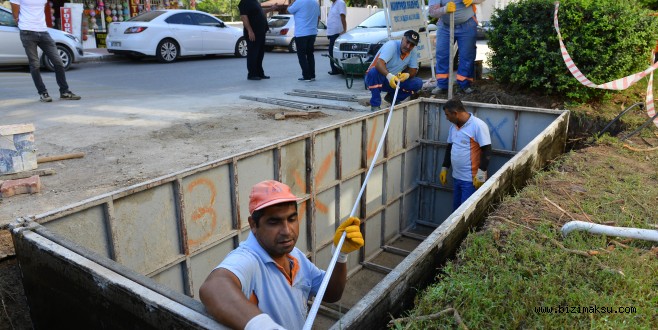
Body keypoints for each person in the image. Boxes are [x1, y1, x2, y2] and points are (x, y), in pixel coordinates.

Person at [199, 180, 364, 329]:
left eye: (292, 219)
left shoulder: (294, 256)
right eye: (274, 222)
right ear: (253, 225)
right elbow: (214, 287)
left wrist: (340, 255)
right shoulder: (249, 259)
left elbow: (330, 293)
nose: (286, 231)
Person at [10, 0, 81, 102]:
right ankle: (43, 93)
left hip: (43, 31)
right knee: (35, 64)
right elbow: (15, 10)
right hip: (27, 31)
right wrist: (20, 22)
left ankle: (65, 92)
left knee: (58, 61)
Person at [439, 98, 491, 210]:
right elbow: (450, 147)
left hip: (471, 180)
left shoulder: (478, 126)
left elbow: (487, 151)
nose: (446, 118)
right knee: (456, 211)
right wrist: (445, 167)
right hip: (457, 177)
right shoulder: (453, 127)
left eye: (447, 115)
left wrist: (481, 173)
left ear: (455, 113)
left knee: (465, 214)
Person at [428, 0, 485, 95]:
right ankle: (442, 85)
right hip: (445, 26)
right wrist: (445, 9)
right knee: (442, 55)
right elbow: (432, 11)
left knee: (467, 56)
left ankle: (464, 85)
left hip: (467, 24)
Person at [364, 30, 423, 112]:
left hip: (393, 81)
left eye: (412, 45)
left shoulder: (412, 51)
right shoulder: (392, 45)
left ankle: (392, 98)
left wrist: (407, 75)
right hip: (374, 78)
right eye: (407, 42)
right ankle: (375, 105)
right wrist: (389, 76)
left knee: (418, 83)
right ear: (403, 39)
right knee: (374, 72)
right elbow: (379, 64)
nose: (408, 46)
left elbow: (413, 70)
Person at [239, 0, 278, 81]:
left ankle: (260, 73)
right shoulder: (244, 2)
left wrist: (271, 9)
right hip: (253, 33)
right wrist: (250, 31)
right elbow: (244, 17)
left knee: (260, 54)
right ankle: (252, 74)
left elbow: (260, 12)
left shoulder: (255, 2)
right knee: (253, 54)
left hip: (261, 31)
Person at [287, 0, 320, 82]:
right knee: (310, 54)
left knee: (301, 55)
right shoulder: (315, 3)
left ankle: (306, 76)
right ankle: (312, 75)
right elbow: (318, 17)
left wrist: (292, 2)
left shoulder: (299, 2)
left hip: (301, 33)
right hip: (312, 32)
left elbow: (288, 10)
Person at [326, 0, 346, 75]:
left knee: (332, 51)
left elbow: (342, 16)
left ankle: (336, 69)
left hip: (337, 32)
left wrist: (344, 30)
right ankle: (334, 69)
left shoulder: (340, 3)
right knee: (331, 52)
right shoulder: (333, 4)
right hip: (331, 32)